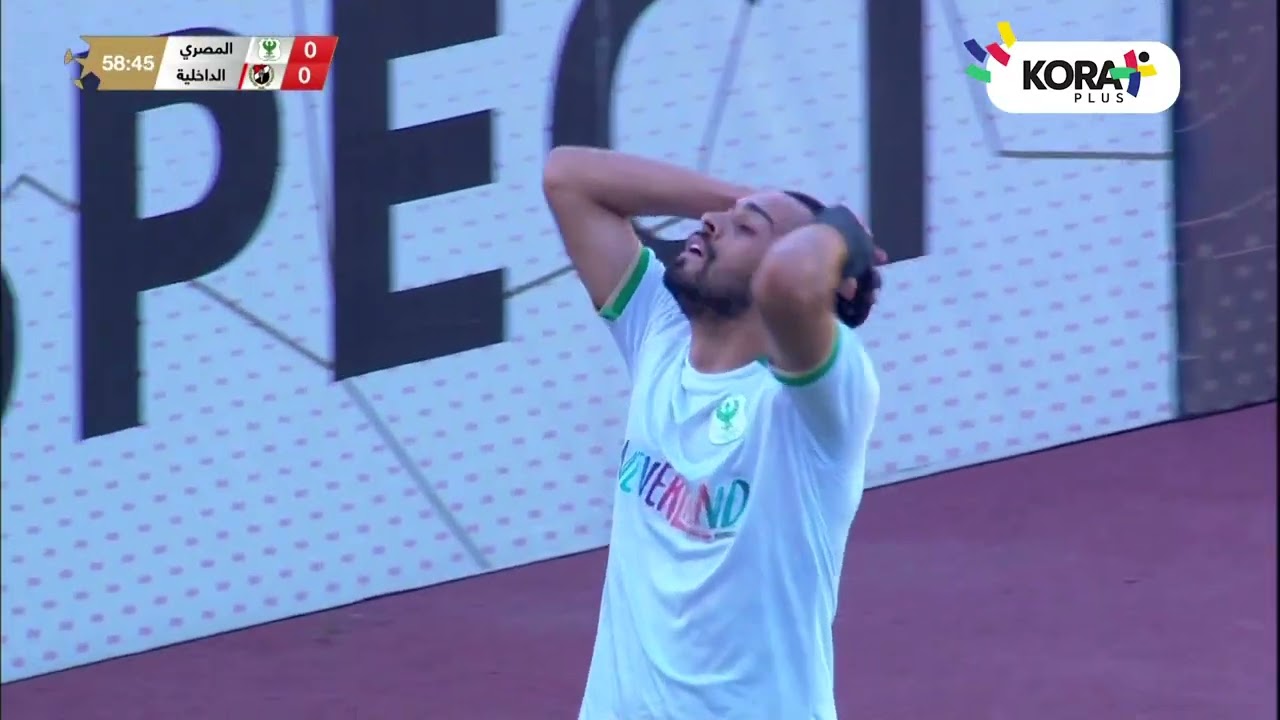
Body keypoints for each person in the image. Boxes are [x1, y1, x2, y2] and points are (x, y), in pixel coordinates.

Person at [542, 146, 882, 720]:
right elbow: (568, 177)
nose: (710, 222)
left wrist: (842, 231)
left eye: (747, 229)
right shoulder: (660, 332)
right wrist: (742, 202)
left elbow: (788, 284)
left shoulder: (819, 402)